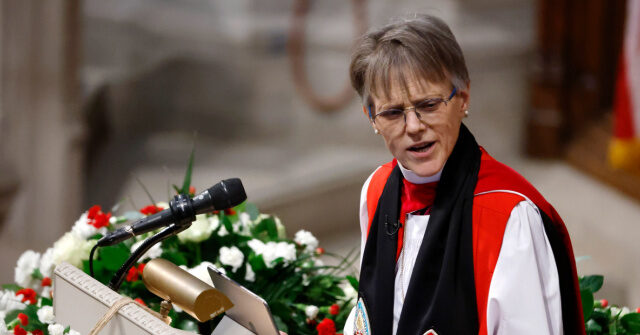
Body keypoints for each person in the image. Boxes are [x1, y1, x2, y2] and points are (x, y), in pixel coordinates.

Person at [342, 14, 585, 335]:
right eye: (393, 112)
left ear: (463, 98)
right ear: (372, 118)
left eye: (428, 105)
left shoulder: (508, 216)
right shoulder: (376, 190)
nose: (413, 127)